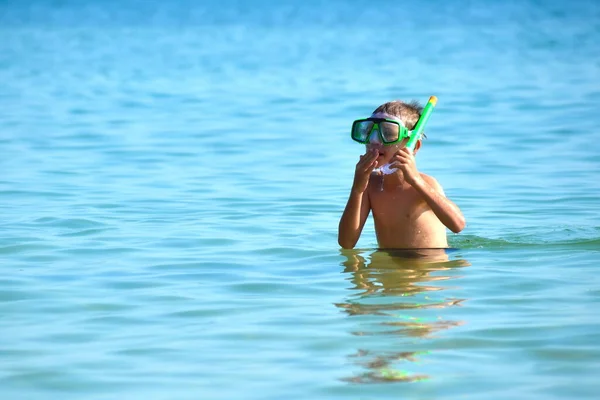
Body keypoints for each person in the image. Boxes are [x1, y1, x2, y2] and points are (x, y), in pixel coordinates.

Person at [338, 99, 466, 249]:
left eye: (387, 133)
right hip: (391, 266)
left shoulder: (425, 184)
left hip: (429, 264)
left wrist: (417, 181)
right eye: (368, 131)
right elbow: (346, 243)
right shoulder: (369, 186)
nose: (374, 140)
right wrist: (357, 189)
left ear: (414, 146)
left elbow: (458, 225)